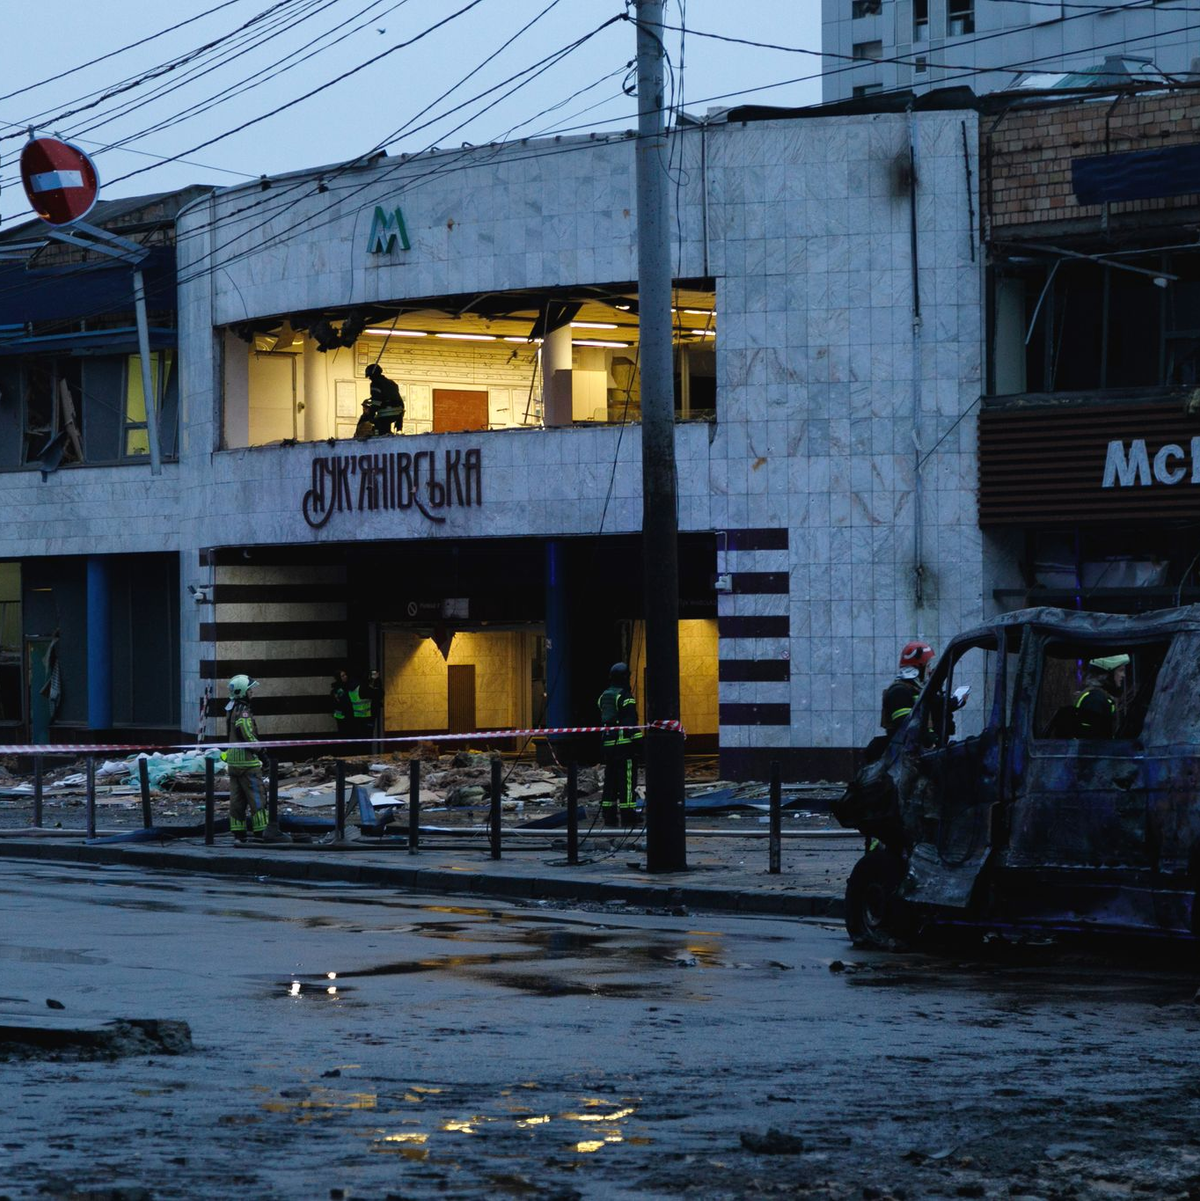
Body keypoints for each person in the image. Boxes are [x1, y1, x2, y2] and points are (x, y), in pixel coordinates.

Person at [224, 674, 288, 844]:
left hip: (233, 762)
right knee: (257, 796)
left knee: (237, 799)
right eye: (250, 689)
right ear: (243, 691)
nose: (253, 692)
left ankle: (238, 832)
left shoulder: (231, 709)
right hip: (247, 762)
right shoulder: (243, 711)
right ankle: (262, 831)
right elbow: (247, 734)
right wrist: (262, 754)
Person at [597, 662, 643, 828]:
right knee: (627, 782)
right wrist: (641, 745)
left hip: (608, 746)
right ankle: (628, 815)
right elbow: (631, 725)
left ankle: (609, 815)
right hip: (625, 747)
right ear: (625, 677)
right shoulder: (626, 697)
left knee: (610, 781)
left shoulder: (604, 696)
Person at [881, 641, 935, 738]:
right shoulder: (899, 692)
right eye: (928, 666)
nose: (930, 670)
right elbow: (906, 727)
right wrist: (928, 739)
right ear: (919, 668)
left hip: (918, 749)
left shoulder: (913, 689)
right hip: (906, 751)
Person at [1071, 654, 1129, 738]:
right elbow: (1093, 741)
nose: (1123, 675)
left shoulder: (1099, 696)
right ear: (1107, 674)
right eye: (1120, 670)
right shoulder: (1095, 700)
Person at [363, 363, 405, 436]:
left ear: (373, 375)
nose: (369, 378)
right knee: (386, 428)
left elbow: (377, 401)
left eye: (370, 376)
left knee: (379, 428)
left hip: (386, 413)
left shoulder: (375, 383)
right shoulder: (391, 382)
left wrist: (370, 415)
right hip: (398, 413)